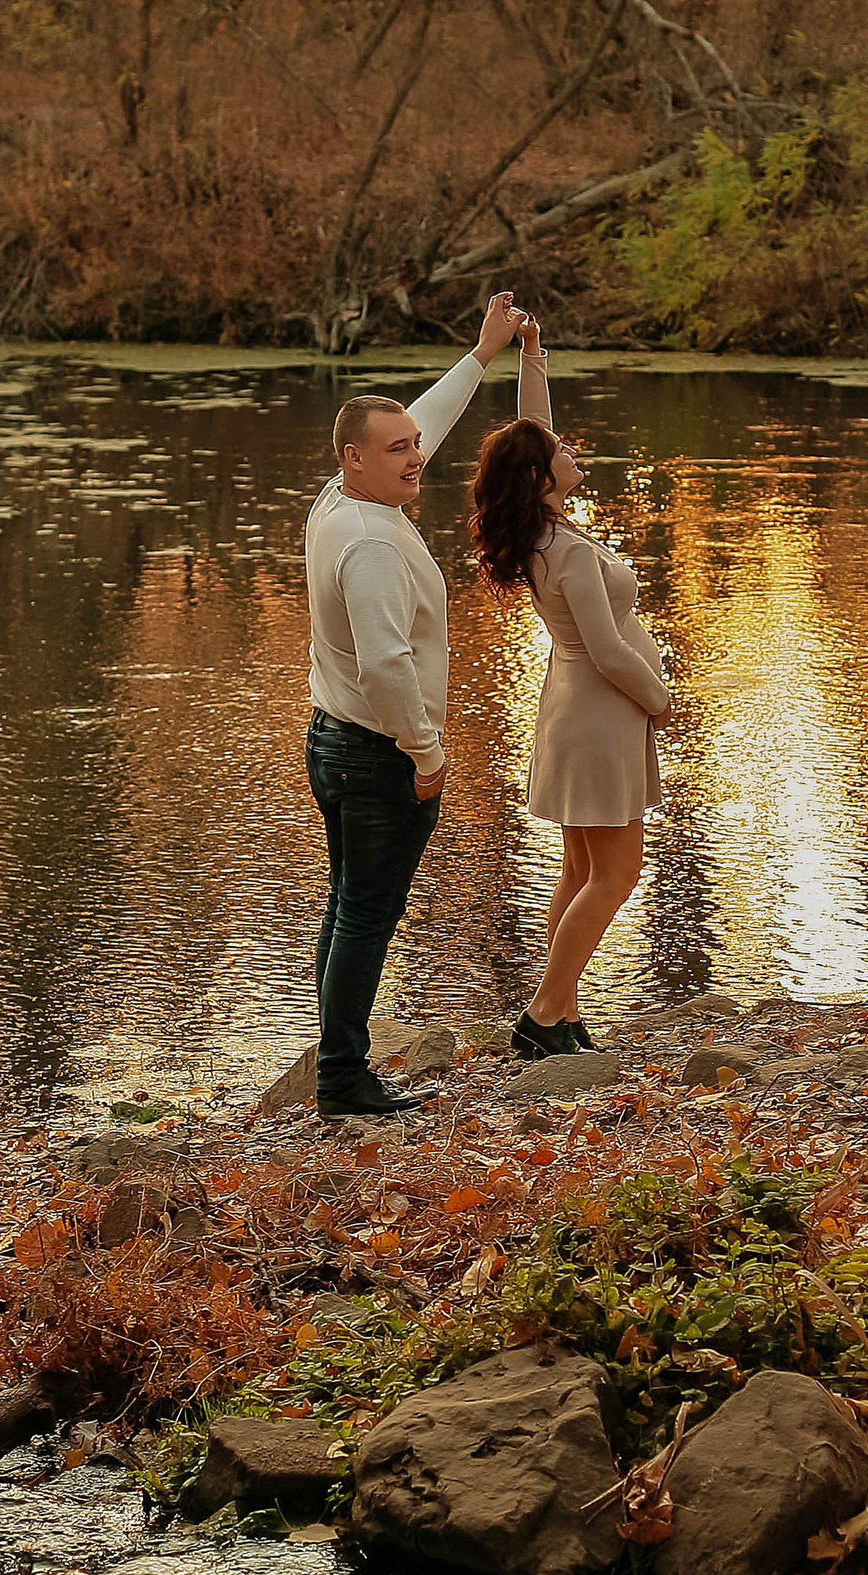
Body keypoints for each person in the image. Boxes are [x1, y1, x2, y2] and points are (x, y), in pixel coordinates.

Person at [303, 290, 529, 1119]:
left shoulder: (341, 496)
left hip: (334, 739)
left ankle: (333, 1056)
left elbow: (419, 418)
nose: (415, 457)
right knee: (367, 911)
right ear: (355, 459)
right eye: (396, 450)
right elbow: (389, 664)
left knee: (347, 902)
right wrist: (427, 755)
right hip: (375, 753)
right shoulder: (366, 544)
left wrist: (480, 353)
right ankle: (340, 1076)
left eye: (414, 446)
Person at [468, 314, 674, 1058]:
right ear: (540, 476)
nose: (570, 448)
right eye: (561, 451)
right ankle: (543, 1014)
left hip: (572, 712)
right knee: (616, 876)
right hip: (600, 715)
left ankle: (564, 1016)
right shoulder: (569, 554)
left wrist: (531, 356)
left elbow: (530, 427)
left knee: (582, 870)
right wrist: (661, 699)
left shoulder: (541, 532)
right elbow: (609, 648)